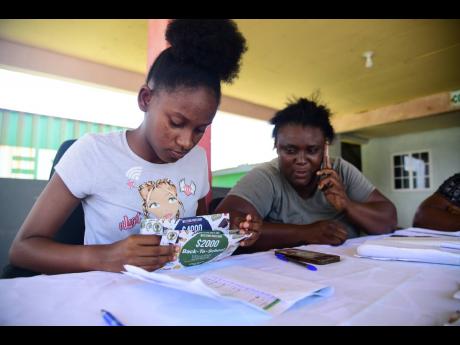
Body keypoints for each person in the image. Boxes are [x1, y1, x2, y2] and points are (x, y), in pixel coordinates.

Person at [8, 19, 259, 275]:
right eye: (176, 123)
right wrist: (105, 256)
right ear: (146, 99)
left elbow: (197, 231)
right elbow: (23, 249)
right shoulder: (93, 153)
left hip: (176, 294)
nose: (186, 142)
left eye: (200, 129)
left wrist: (231, 233)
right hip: (105, 295)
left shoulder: (197, 159)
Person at [216, 96, 397, 253]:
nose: (301, 160)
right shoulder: (267, 176)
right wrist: (305, 233)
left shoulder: (342, 171)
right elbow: (223, 225)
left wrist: (347, 205)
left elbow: (388, 221)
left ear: (325, 148)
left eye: (312, 150)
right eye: (290, 150)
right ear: (276, 146)